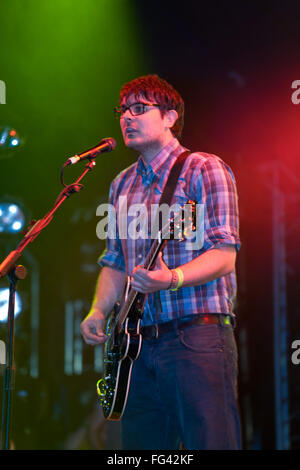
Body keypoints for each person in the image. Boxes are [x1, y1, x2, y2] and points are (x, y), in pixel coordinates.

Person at [80, 74, 242, 450]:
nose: (126, 118)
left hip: (196, 336)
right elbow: (115, 260)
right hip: (136, 348)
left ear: (170, 117)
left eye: (139, 109)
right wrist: (98, 311)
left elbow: (224, 254)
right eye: (123, 111)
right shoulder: (121, 183)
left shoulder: (204, 168)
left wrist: (171, 278)